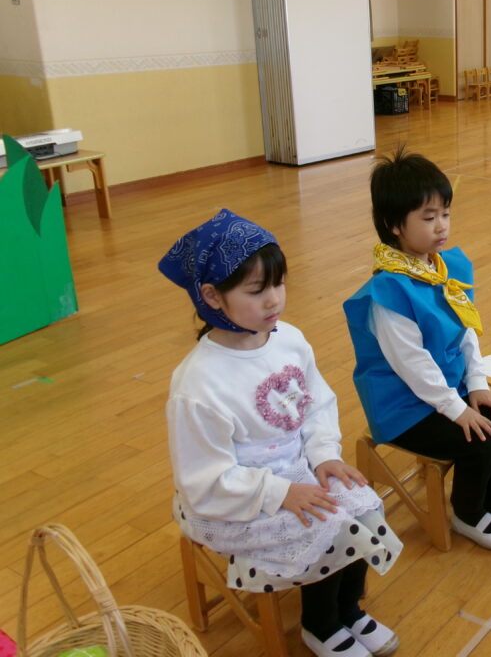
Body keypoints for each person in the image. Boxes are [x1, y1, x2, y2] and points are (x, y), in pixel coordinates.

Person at [160, 210, 401, 657]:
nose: (274, 300)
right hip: (235, 498)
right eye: (256, 290)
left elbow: (317, 403)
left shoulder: (288, 338)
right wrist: (279, 492)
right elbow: (204, 479)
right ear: (211, 296)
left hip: (297, 467)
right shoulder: (198, 383)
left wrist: (324, 454)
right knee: (330, 525)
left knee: (365, 506)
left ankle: (346, 608)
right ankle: (320, 626)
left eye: (279, 284)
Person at [343, 148, 491, 553]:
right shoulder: (388, 291)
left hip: (445, 390)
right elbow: (412, 365)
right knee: (479, 441)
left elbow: (466, 331)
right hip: (404, 407)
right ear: (394, 225)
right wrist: (457, 409)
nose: (441, 225)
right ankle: (468, 513)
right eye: (428, 218)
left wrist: (477, 385)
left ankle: (489, 501)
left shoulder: (443, 268)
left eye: (445, 213)